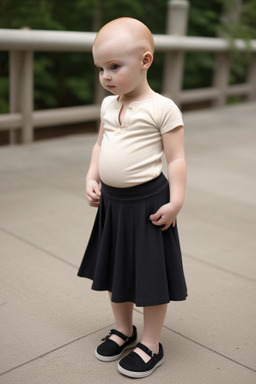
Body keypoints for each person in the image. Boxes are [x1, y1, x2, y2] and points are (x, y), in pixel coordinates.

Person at [77, 17, 187, 379]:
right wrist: (92, 175)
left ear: (145, 61)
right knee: (115, 270)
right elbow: (100, 145)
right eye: (101, 68)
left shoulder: (163, 108)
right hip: (112, 204)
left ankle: (151, 343)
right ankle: (124, 329)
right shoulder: (109, 106)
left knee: (151, 277)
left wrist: (176, 201)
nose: (106, 76)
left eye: (114, 67)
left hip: (149, 205)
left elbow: (176, 159)